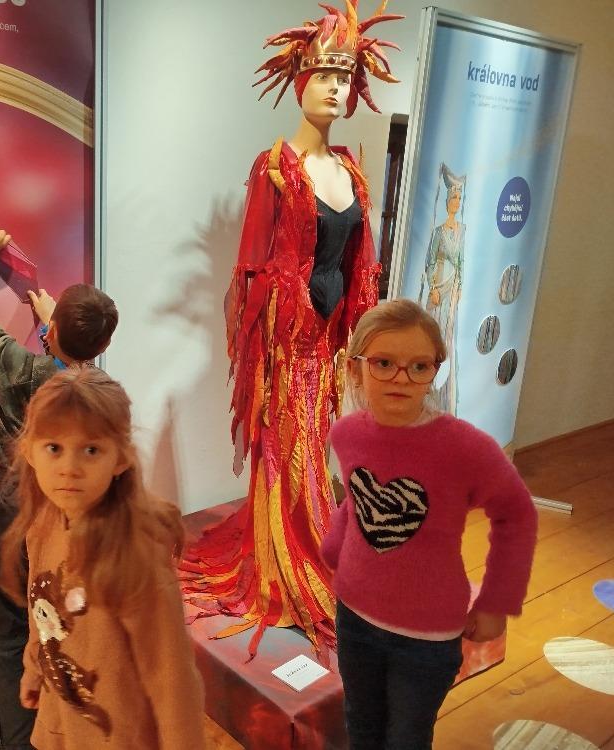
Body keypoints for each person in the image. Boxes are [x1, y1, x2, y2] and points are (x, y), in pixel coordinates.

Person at [182, 1, 403, 657]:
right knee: (291, 446)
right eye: (324, 75)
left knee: (317, 444)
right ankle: (286, 563)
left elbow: (361, 259)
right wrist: (270, 341)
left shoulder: (351, 169)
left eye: (345, 76)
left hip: (331, 338)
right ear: (300, 80)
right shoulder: (275, 166)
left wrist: (357, 332)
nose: (335, 87)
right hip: (286, 340)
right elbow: (252, 264)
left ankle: (311, 541)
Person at [320, 299, 537, 750]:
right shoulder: (346, 433)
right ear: (355, 369)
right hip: (354, 616)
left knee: (407, 737)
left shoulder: (465, 449)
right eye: (384, 363)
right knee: (360, 721)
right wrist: (335, 546)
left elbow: (516, 513)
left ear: (434, 371)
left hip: (426, 636)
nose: (401, 378)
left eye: (419, 366)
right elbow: (359, 500)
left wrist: (496, 601)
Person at [0, 226, 118, 750]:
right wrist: (54, 326)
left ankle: (12, 742)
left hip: (18, 519)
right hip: (75, 526)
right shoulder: (103, 392)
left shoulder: (20, 370)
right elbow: (71, 368)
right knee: (64, 630)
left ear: (54, 330)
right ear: (105, 346)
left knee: (13, 638)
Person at [0, 368, 206, 750]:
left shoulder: (137, 557)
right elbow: (41, 607)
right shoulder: (42, 523)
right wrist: (33, 669)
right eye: (54, 448)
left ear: (120, 459)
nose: (69, 468)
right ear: (29, 452)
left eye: (91, 450)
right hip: (64, 719)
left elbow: (172, 680)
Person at [419, 163, 467, 413]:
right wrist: (433, 287)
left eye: (458, 198)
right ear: (447, 202)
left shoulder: (462, 232)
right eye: (452, 198)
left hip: (451, 294)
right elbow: (429, 263)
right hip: (438, 289)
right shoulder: (439, 232)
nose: (455, 202)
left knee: (448, 340)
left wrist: (459, 288)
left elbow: (461, 263)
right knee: (432, 338)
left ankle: (444, 397)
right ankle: (424, 391)